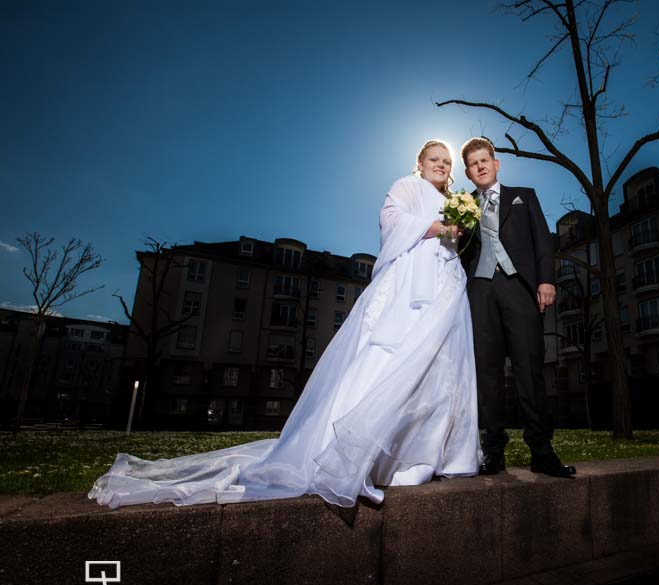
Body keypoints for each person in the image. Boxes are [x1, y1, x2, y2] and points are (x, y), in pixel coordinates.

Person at [88, 140, 480, 509]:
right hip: (413, 283)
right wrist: (438, 229)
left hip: (445, 283)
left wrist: (456, 231)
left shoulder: (454, 201)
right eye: (435, 160)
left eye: (446, 162)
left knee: (440, 364)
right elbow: (392, 220)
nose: (442, 166)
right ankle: (367, 453)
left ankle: (428, 452)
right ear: (420, 164)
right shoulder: (408, 185)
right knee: (395, 358)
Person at [458, 137, 575, 478]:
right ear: (468, 172)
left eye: (485, 160)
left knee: (529, 369)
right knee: (488, 375)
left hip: (519, 288)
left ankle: (541, 450)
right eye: (473, 164)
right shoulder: (462, 206)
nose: (480, 166)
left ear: (496, 164)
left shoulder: (524, 196)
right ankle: (493, 452)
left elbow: (543, 239)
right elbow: (458, 251)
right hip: (480, 292)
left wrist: (546, 279)